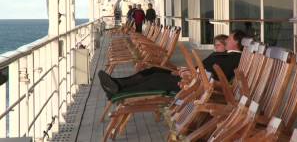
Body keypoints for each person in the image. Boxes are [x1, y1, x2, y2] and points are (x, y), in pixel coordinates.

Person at [98, 30, 246, 99]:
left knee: (157, 79)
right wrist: (186, 70)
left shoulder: (233, 59)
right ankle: (118, 83)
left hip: (195, 85)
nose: (226, 41)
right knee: (154, 70)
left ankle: (118, 91)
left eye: (230, 39)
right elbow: (206, 69)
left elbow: (214, 76)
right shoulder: (227, 55)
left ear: (237, 43)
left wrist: (187, 74)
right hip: (192, 77)